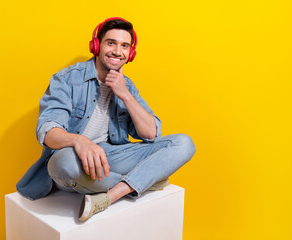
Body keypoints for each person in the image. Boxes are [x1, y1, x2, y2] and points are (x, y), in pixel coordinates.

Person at [16, 17, 196, 221]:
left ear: (131, 54)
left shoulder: (127, 85)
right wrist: (79, 141)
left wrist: (125, 95)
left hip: (111, 157)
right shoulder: (66, 79)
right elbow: (48, 131)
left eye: (124, 46)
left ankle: (112, 195)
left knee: (183, 143)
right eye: (111, 43)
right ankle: (146, 180)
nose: (117, 51)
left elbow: (150, 133)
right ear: (96, 46)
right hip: (75, 158)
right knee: (62, 163)